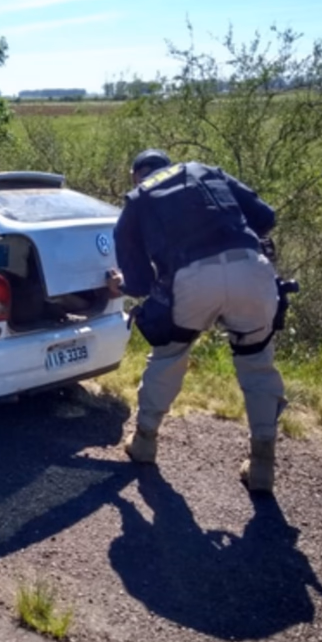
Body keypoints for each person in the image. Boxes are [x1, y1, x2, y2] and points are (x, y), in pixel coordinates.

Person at [109, 149, 286, 493]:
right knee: (257, 363)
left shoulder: (137, 200)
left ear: (136, 175)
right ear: (169, 165)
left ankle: (144, 442)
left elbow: (141, 284)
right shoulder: (204, 170)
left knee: (169, 355)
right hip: (251, 268)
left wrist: (121, 284)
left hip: (192, 279)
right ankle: (262, 463)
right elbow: (265, 216)